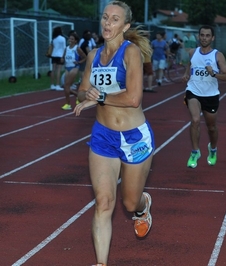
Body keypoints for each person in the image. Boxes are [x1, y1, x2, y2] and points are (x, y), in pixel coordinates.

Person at [73, 1, 154, 265]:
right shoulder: (94, 55)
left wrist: (100, 97)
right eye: (105, 17)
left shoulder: (131, 54)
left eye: (115, 19)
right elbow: (82, 91)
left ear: (125, 26)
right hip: (103, 137)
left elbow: (133, 98)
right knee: (104, 203)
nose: (108, 23)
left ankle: (143, 206)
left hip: (133, 138)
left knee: (129, 205)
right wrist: (88, 95)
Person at [182, 25, 226, 168]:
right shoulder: (192, 52)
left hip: (210, 95)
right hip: (193, 91)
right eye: (202, 35)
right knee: (195, 120)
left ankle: (213, 149)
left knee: (211, 127)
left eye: (207, 35)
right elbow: (190, 64)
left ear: (212, 38)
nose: (204, 38)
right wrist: (186, 73)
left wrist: (214, 74)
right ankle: (195, 151)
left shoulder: (217, 55)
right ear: (198, 36)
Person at [60, 32, 86, 110]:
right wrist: (62, 59)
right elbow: (63, 57)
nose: (70, 40)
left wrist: (78, 62)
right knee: (66, 86)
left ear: (75, 41)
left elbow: (85, 57)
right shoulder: (66, 48)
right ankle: (78, 96)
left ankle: (68, 104)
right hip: (67, 67)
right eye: (69, 38)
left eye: (72, 39)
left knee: (66, 85)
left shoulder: (77, 48)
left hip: (74, 67)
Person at [50, 26, 66, 91]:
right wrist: (63, 56)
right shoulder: (62, 38)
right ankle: (57, 85)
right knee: (58, 70)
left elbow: (53, 47)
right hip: (60, 55)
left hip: (54, 55)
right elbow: (64, 48)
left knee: (53, 70)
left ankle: (52, 85)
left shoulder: (53, 39)